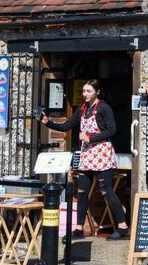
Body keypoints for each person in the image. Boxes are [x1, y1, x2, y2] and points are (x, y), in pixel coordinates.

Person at [40, 79, 128, 239]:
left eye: (89, 91)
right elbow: (66, 126)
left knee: (106, 191)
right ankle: (79, 229)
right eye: (84, 91)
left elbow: (112, 130)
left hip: (101, 153)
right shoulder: (82, 109)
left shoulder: (104, 108)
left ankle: (122, 226)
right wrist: (48, 123)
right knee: (82, 192)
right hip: (87, 155)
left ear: (97, 92)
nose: (85, 94)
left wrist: (91, 138)